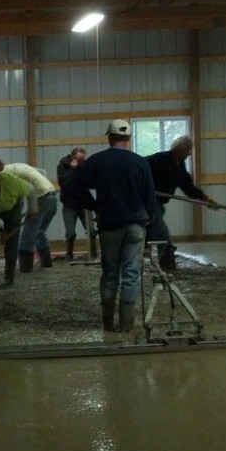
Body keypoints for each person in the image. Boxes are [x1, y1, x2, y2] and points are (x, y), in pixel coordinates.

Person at [64, 118, 158, 333]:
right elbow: (149, 197)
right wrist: (149, 220)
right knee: (131, 273)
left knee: (110, 273)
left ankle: (108, 324)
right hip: (135, 224)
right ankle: (126, 325)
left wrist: (95, 205)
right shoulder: (140, 162)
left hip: (109, 225)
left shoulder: (97, 161)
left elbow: (74, 188)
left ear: (109, 137)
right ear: (128, 138)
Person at [145, 136, 216, 272]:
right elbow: (139, 169)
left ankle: (140, 253)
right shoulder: (159, 159)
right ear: (181, 149)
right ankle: (167, 265)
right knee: (161, 233)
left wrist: (202, 196)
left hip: (159, 203)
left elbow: (186, 185)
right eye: (188, 150)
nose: (189, 154)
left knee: (150, 230)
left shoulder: (180, 165)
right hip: (149, 200)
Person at [0, 158, 59, 271]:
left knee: (26, 236)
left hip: (41, 197)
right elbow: (41, 173)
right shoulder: (17, 166)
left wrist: (31, 209)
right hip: (52, 194)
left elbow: (19, 192)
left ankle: (26, 269)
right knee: (38, 231)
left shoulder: (5, 173)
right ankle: (46, 264)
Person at [56, 146, 91, 260]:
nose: (81, 162)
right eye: (79, 160)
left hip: (84, 203)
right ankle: (69, 254)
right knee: (70, 233)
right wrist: (73, 169)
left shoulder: (85, 166)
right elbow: (64, 183)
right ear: (72, 158)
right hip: (69, 204)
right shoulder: (62, 166)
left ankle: (93, 253)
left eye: (83, 160)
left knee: (92, 231)